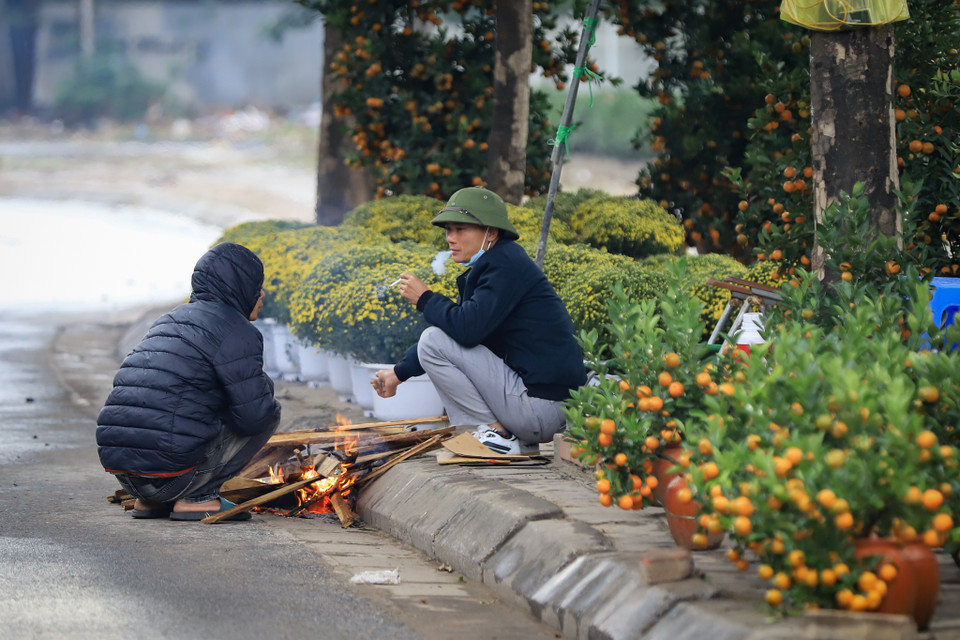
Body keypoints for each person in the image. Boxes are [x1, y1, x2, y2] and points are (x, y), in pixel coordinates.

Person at [371, 186, 586, 455]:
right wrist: (399, 373)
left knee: (432, 339)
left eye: (460, 229)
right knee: (436, 339)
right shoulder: (500, 263)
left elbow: (465, 330)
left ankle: (498, 435)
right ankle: (506, 437)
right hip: (541, 407)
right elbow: (461, 335)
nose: (450, 238)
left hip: (540, 409)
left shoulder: (505, 266)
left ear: (491, 233)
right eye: (448, 230)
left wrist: (425, 298)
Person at [96, 242, 281, 521]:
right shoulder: (237, 330)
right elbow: (254, 418)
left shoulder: (168, 319)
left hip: (126, 475)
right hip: (175, 478)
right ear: (242, 287)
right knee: (265, 401)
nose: (262, 294)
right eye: (257, 285)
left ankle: (149, 502)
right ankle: (197, 499)